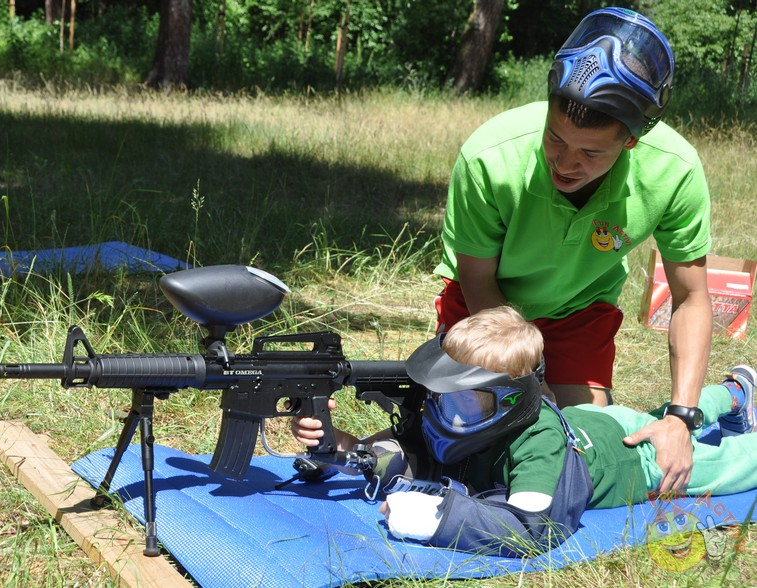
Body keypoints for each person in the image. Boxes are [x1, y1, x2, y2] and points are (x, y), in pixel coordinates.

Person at [433, 7, 712, 494]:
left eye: (591, 152)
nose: (565, 163)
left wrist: (681, 416)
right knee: (463, 439)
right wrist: (528, 381)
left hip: (578, 312)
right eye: (555, 138)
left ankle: (731, 395)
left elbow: (691, 299)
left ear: (631, 141)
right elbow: (476, 279)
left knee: (580, 445)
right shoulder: (489, 157)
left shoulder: (675, 171)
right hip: (487, 309)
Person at [292, 306, 757, 556]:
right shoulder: (474, 421)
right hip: (593, 420)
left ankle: (735, 397)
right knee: (661, 416)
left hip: (634, 458)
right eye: (441, 396)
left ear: (510, 400)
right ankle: (735, 391)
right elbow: (414, 453)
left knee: (728, 464)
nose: (446, 413)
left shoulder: (538, 443)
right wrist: (339, 447)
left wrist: (437, 519)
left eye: (466, 402)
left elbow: (533, 529)